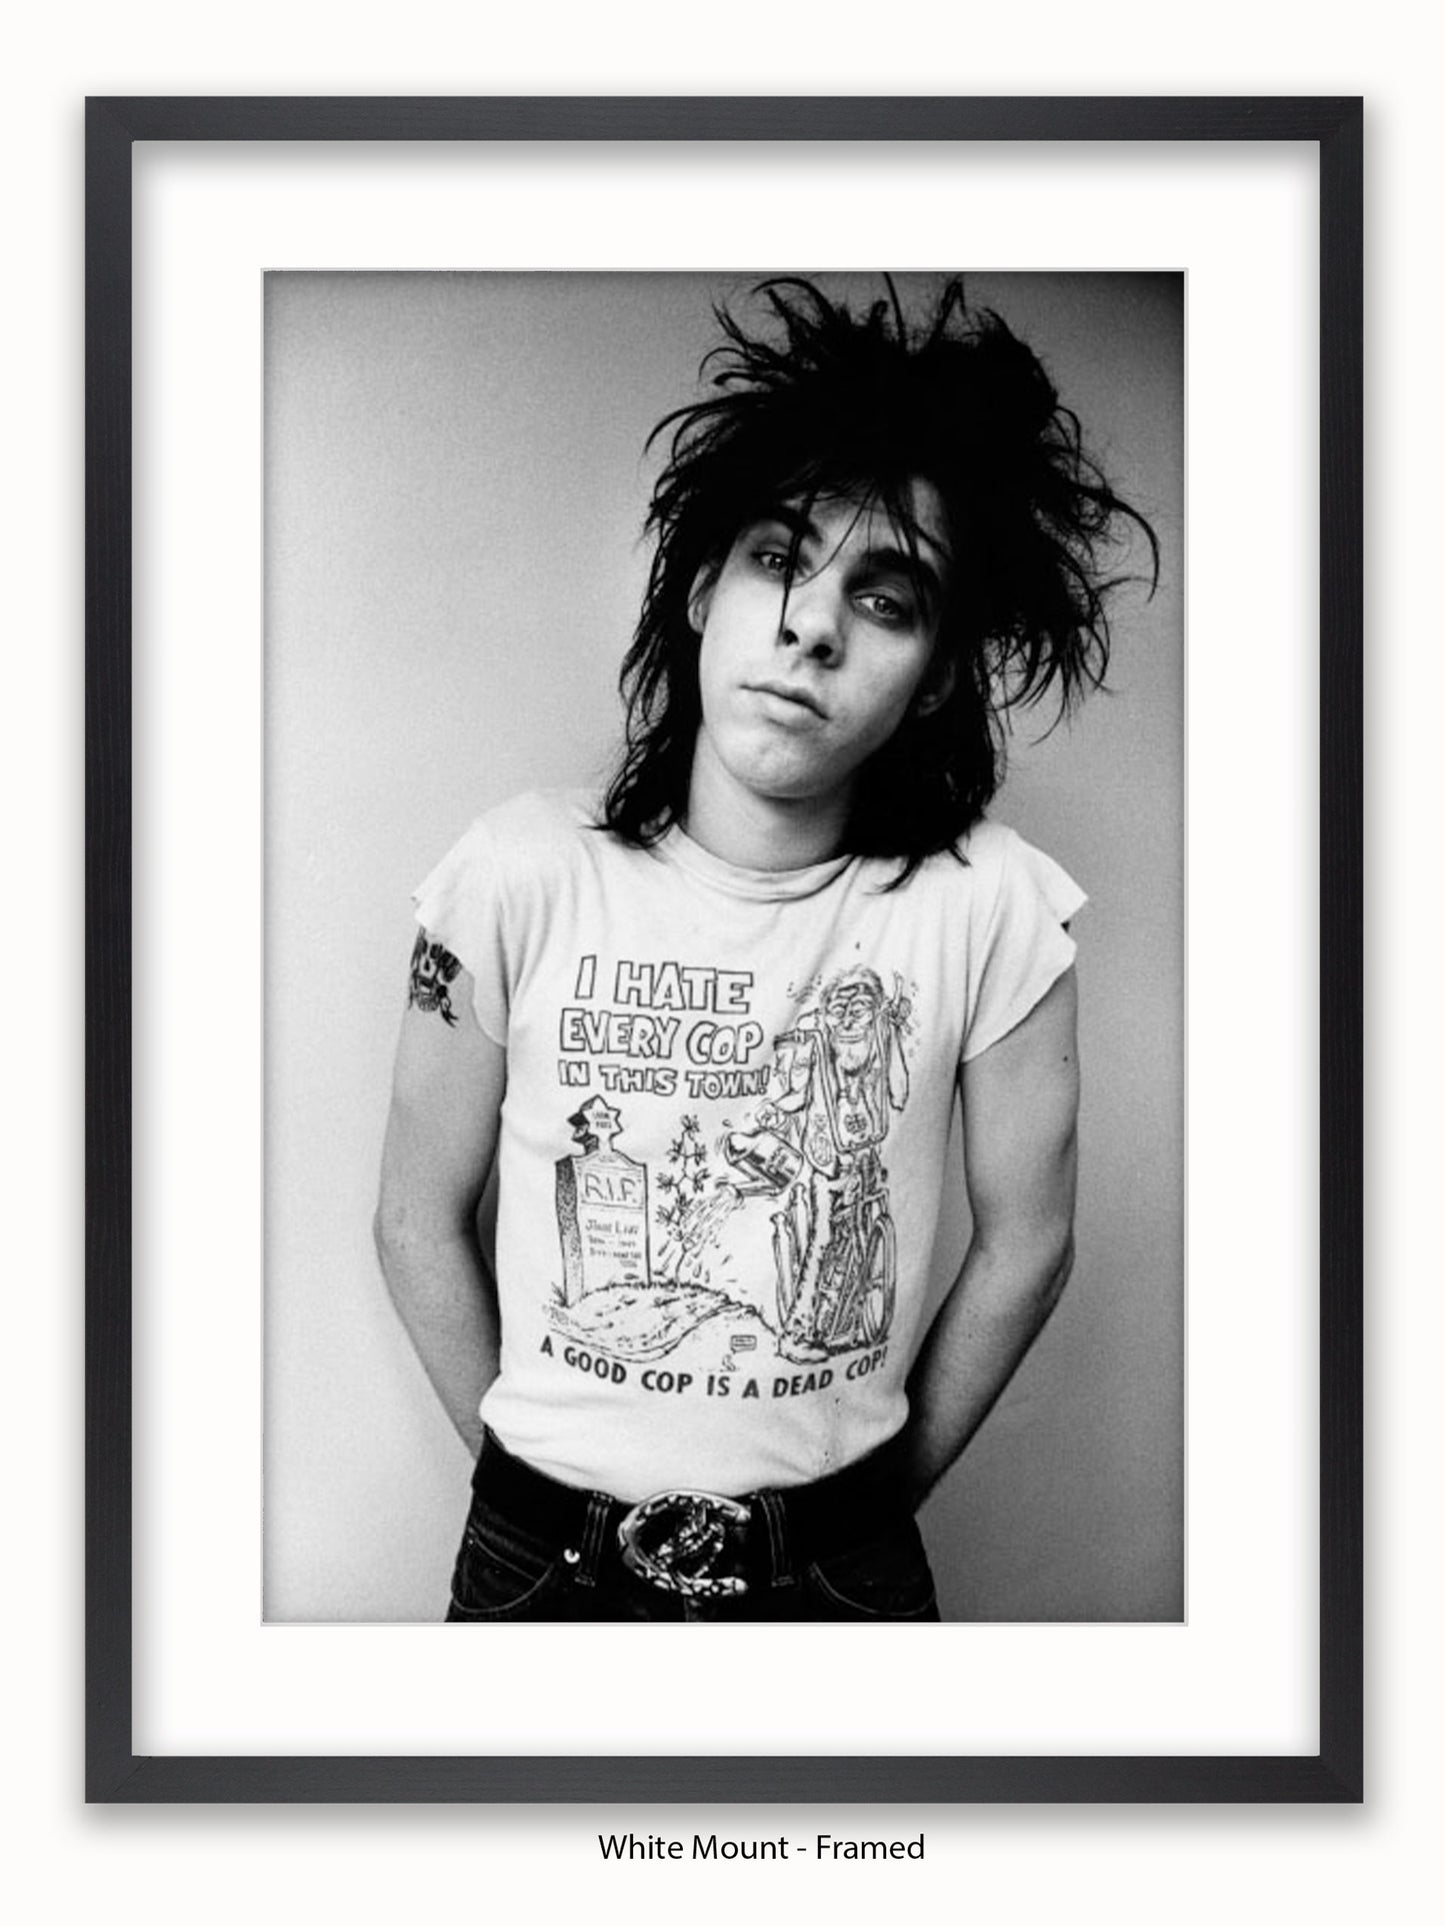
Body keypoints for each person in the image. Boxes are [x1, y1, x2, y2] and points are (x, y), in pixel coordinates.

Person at [373, 276, 1157, 1621]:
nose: (812, 625)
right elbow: (411, 1215)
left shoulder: (988, 906)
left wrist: (853, 1517)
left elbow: (1030, 1242)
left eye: (886, 599)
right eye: (777, 557)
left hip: (834, 1574)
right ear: (700, 589)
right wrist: (533, 1494)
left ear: (938, 673)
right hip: (539, 1566)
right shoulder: (515, 869)